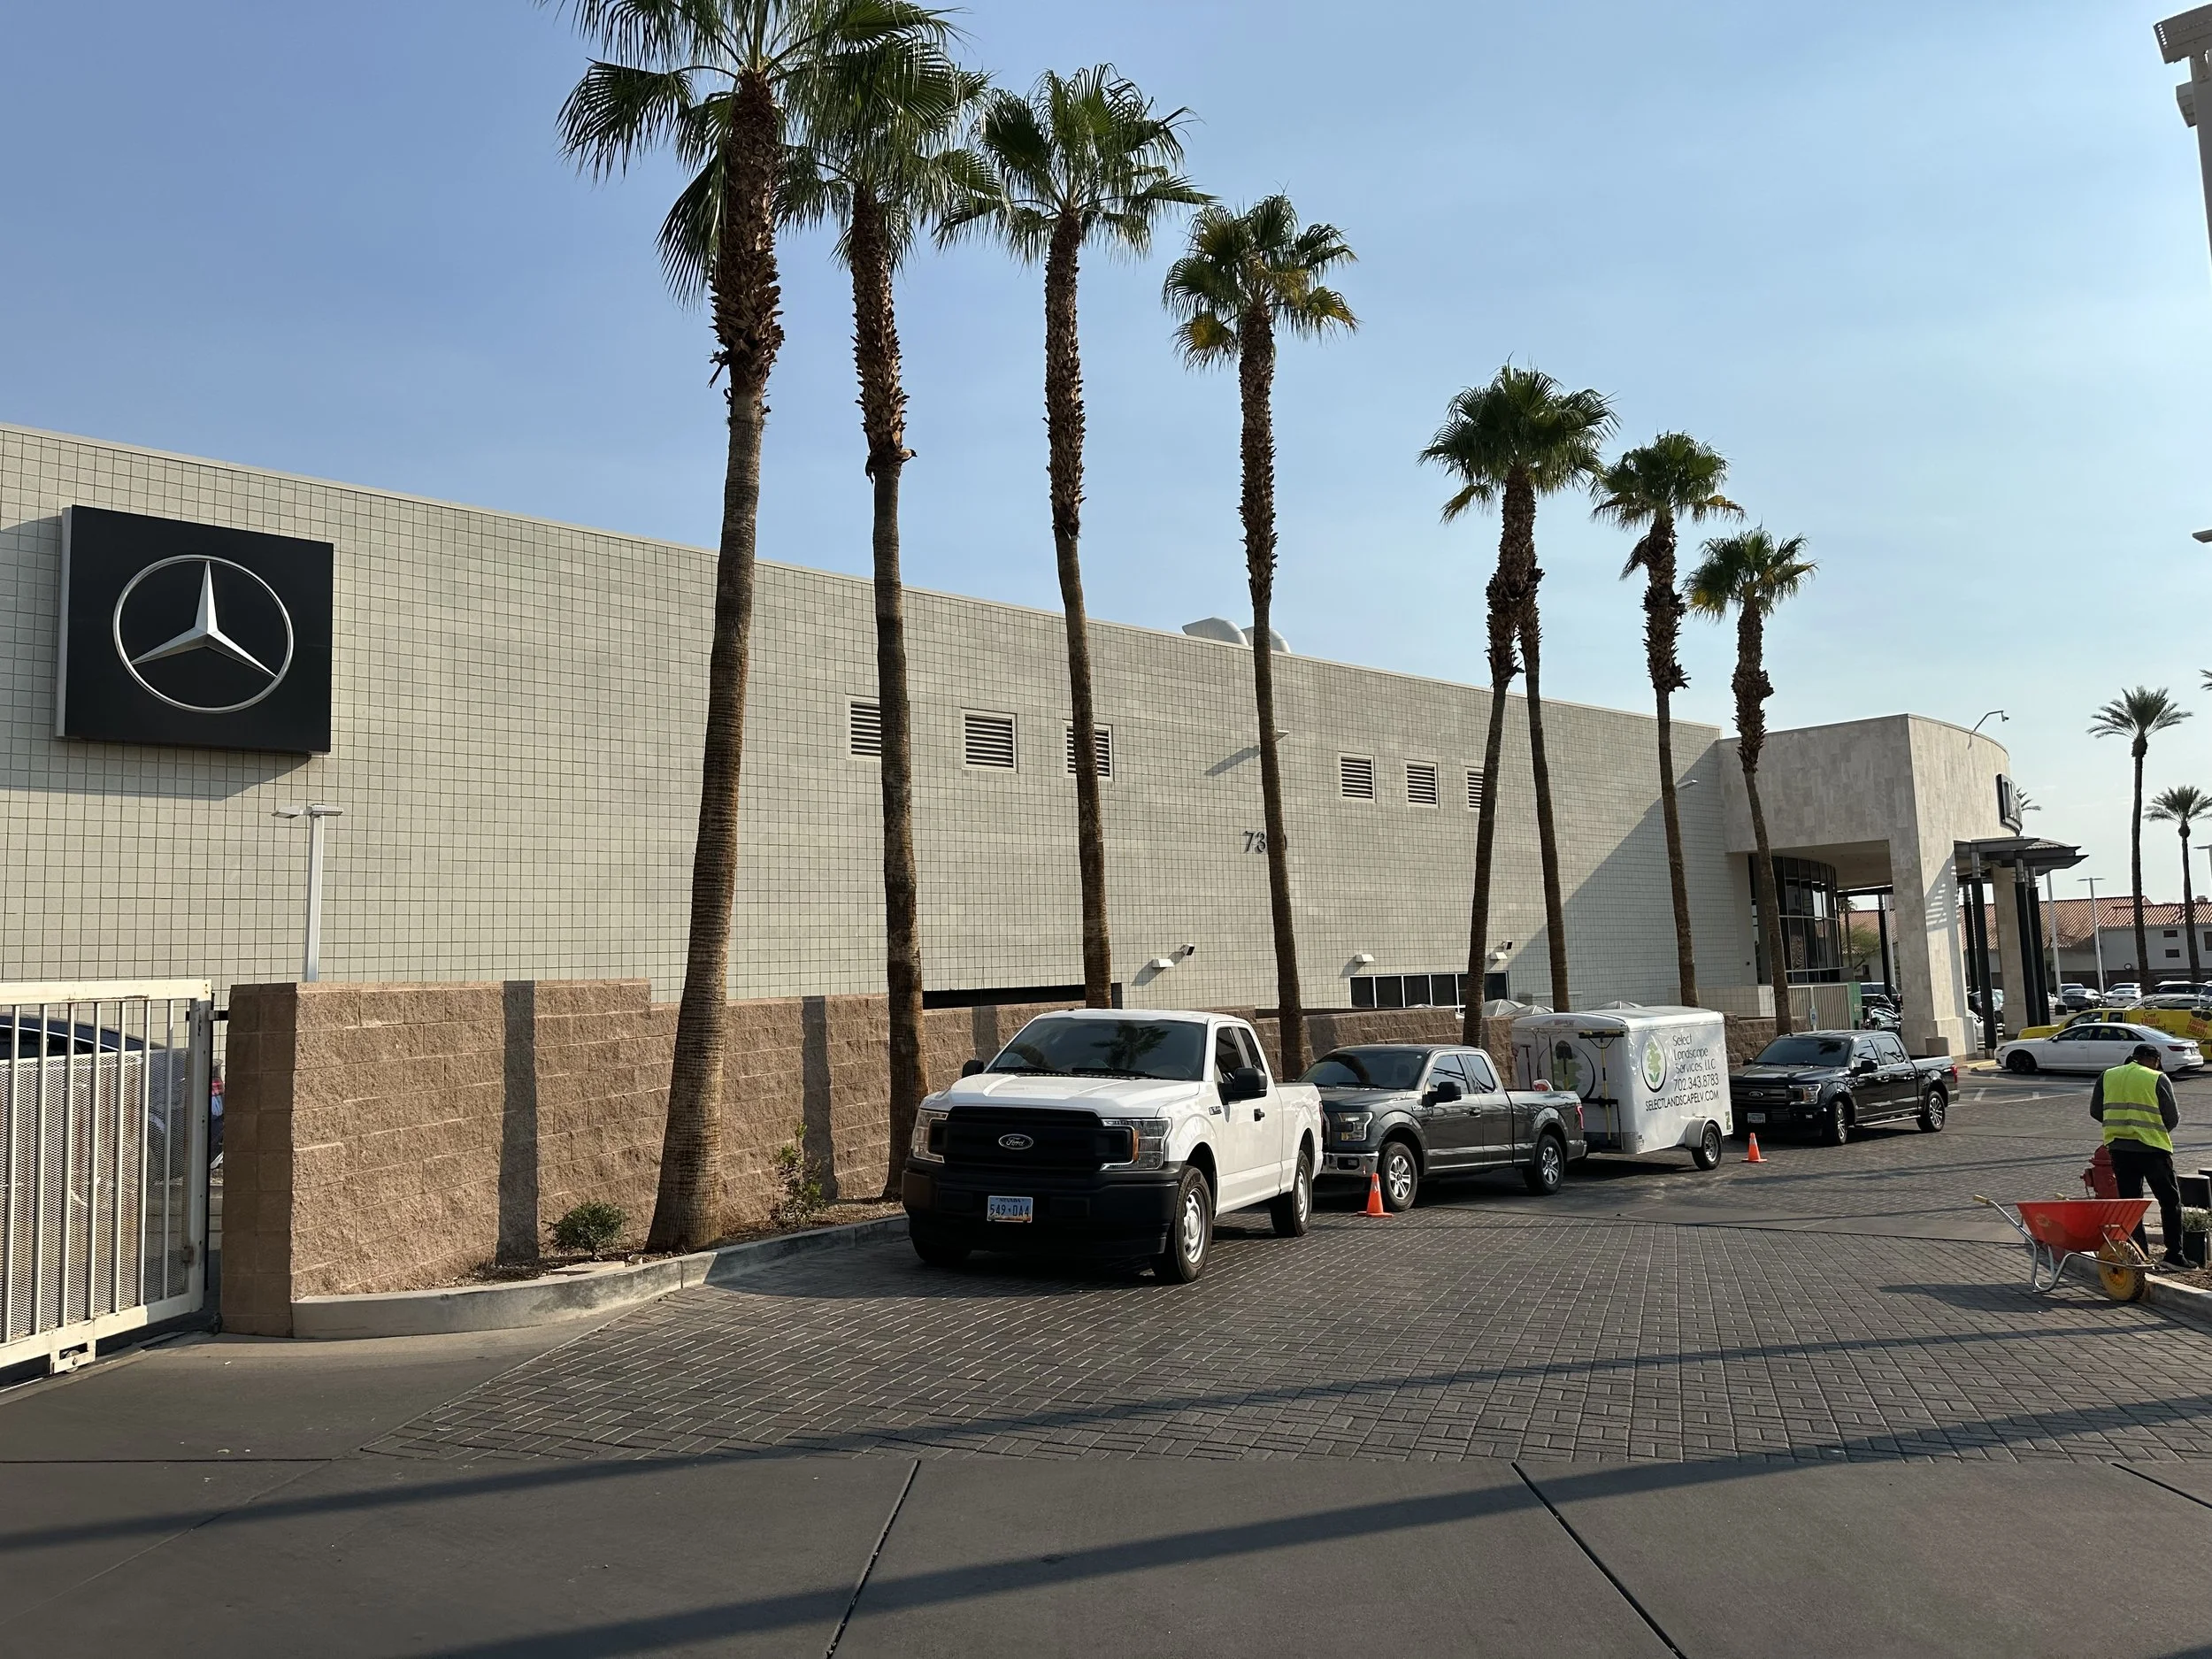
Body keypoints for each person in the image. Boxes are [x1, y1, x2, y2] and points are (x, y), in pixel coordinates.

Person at [2090, 1042, 2185, 1266]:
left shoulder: (2108, 1076)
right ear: (2154, 1060)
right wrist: (2153, 1131)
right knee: (2170, 1201)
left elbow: (2096, 1111)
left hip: (2119, 1150)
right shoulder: (2156, 1078)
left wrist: (2119, 1128)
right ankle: (2174, 1255)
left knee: (2131, 1204)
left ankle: (2138, 1253)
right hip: (2152, 1150)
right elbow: (2172, 1117)